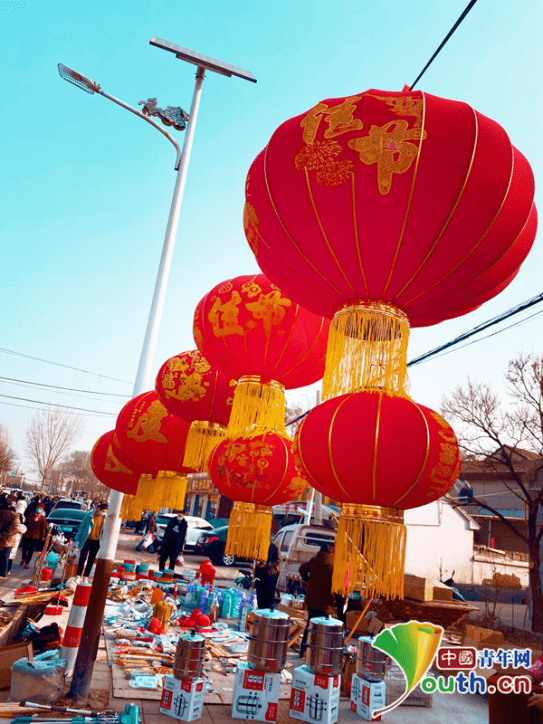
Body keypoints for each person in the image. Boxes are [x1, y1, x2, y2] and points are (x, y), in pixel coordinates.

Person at [298, 543, 338, 656]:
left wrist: (307, 580)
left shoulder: (314, 560)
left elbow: (301, 568)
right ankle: (317, 652)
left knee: (310, 624)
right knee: (323, 628)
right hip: (326, 600)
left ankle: (304, 648)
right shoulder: (333, 564)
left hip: (312, 599)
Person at [74, 502, 108, 580]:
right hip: (87, 540)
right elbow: (82, 527)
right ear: (98, 508)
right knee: (82, 558)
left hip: (96, 542)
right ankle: (78, 576)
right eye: (103, 511)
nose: (103, 513)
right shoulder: (89, 515)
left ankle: (86, 577)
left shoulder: (105, 518)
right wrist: (76, 539)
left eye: (105, 511)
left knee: (91, 560)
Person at [255, 542, 281, 609]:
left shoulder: (274, 547)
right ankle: (260, 610)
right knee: (260, 595)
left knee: (268, 595)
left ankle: (267, 611)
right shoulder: (259, 547)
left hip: (270, 575)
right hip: (260, 574)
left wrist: (267, 564)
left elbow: (277, 560)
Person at [20, 504, 47, 569]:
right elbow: (25, 524)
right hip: (27, 535)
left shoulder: (43, 519)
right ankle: (23, 559)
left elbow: (43, 529)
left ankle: (27, 563)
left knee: (31, 550)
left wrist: (43, 537)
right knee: (25, 548)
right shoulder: (30, 516)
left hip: (35, 536)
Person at [0, 499, 20, 578]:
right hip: (7, 539)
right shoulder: (13, 516)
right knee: (5, 556)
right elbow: (16, 529)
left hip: (5, 539)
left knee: (3, 556)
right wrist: (7, 533)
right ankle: (3, 573)